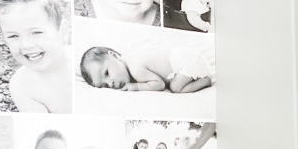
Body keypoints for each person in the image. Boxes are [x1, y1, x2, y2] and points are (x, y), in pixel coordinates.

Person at [0, 0, 72, 113]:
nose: (26, 45)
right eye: (13, 36)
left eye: (36, 33)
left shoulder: (80, 57)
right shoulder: (21, 85)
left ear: (63, 31)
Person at [80, 45, 212, 94]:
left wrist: (136, 86)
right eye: (104, 85)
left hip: (188, 61)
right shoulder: (132, 62)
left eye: (107, 73)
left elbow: (159, 84)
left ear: (115, 56)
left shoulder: (135, 68)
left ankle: (205, 81)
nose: (110, 84)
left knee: (175, 88)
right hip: (186, 55)